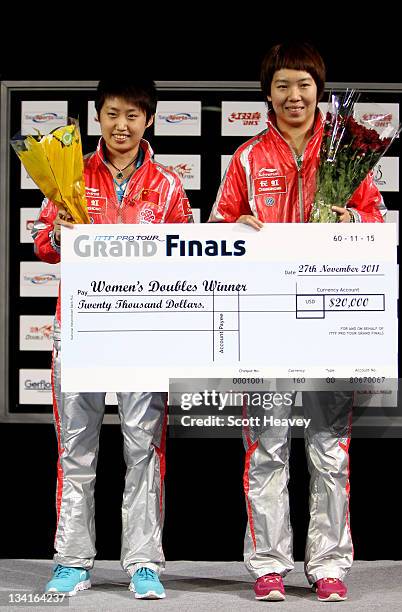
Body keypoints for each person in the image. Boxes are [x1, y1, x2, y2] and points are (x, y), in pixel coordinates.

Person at [209, 41, 385, 602]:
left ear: (319, 91)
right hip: (263, 326)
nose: (294, 95)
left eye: (304, 85)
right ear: (267, 93)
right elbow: (215, 230)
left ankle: (329, 563)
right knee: (266, 448)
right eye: (283, 85)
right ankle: (268, 564)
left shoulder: (347, 155)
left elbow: (378, 223)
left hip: (328, 324)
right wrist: (239, 229)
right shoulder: (245, 158)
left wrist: (349, 217)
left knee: (329, 449)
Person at [33, 78, 193, 599]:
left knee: (142, 449)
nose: (121, 125)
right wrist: (59, 235)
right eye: (111, 114)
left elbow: (186, 254)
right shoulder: (69, 177)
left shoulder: (168, 185)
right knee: (75, 448)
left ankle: (143, 562)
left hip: (142, 336)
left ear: (150, 119)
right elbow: (42, 243)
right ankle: (73, 559)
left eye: (132, 115)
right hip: (80, 330)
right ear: (97, 117)